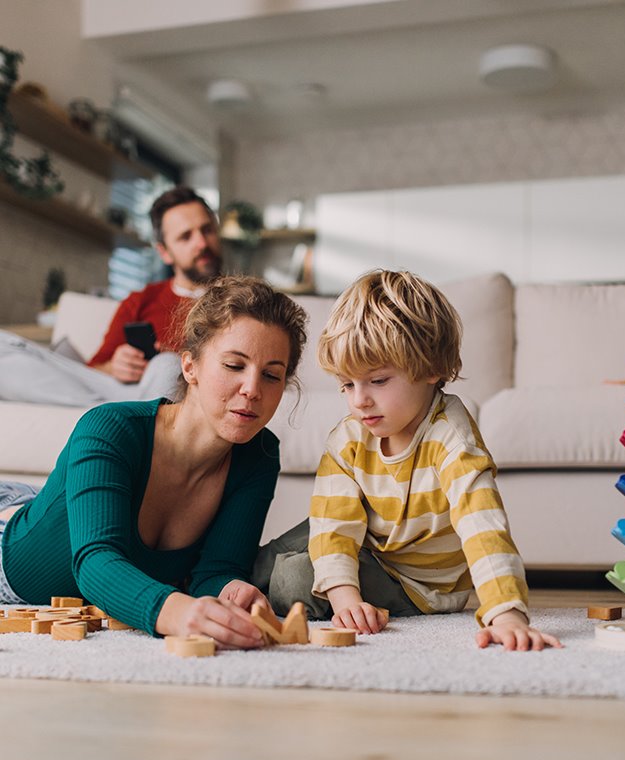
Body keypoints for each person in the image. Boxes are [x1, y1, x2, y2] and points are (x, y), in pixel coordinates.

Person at [253, 270, 562, 651]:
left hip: (418, 586)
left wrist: (507, 614)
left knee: (295, 576)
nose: (359, 401)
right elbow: (335, 522)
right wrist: (346, 595)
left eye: (378, 381)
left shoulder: (451, 438)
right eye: (347, 385)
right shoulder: (350, 436)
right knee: (299, 537)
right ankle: (229, 580)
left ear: (431, 368)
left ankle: (262, 582)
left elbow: (482, 525)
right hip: (373, 542)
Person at [0, 276, 308, 647]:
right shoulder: (110, 427)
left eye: (272, 375)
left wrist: (233, 591)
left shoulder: (259, 455)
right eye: (233, 365)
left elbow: (216, 570)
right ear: (190, 366)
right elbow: (95, 562)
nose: (252, 389)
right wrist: (178, 612)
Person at [0, 186, 223, 406]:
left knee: (167, 366)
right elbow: (93, 371)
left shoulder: (242, 301)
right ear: (164, 252)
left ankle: (120, 419)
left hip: (184, 399)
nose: (201, 243)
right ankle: (116, 417)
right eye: (186, 237)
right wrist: (115, 367)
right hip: (126, 395)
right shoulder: (141, 300)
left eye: (207, 230)